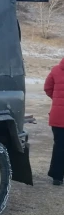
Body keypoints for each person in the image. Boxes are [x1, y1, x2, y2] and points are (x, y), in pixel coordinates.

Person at [45, 57, 64, 186]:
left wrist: (57, 100)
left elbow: (47, 88)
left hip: (57, 116)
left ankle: (57, 177)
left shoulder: (56, 70)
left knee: (59, 146)